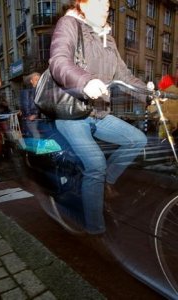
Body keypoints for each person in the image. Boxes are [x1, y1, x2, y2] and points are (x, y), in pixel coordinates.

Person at [48, 0, 154, 235]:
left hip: (99, 112)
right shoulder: (69, 24)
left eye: (107, 4)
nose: (105, 7)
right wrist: (84, 81)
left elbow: (124, 76)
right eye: (98, 3)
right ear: (82, 5)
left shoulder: (109, 39)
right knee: (95, 164)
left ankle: (106, 182)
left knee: (137, 139)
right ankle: (95, 231)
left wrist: (150, 93)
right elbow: (58, 61)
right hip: (72, 113)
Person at [20, 72, 41, 138]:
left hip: (39, 118)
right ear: (31, 81)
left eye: (40, 80)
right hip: (32, 119)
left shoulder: (40, 90)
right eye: (36, 79)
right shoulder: (27, 91)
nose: (39, 81)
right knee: (36, 136)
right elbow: (25, 105)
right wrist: (30, 115)